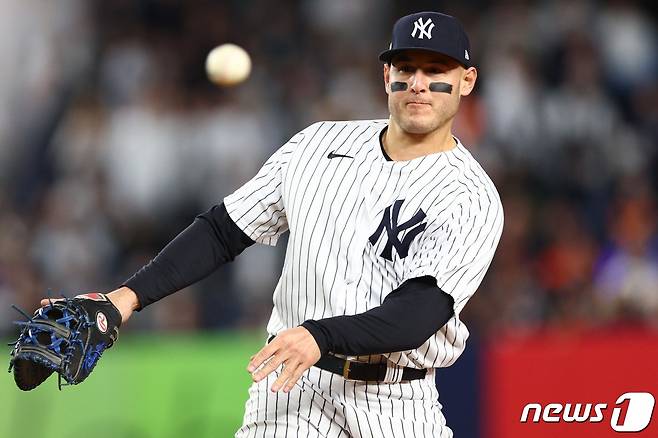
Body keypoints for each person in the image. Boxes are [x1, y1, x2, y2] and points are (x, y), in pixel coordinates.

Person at [44, 11, 503, 437]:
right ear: (387, 76)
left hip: (396, 400)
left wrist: (319, 335)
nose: (418, 84)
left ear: (466, 81)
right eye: (406, 68)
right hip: (291, 391)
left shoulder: (469, 196)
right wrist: (125, 298)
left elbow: (417, 314)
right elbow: (223, 231)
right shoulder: (317, 146)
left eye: (436, 71)